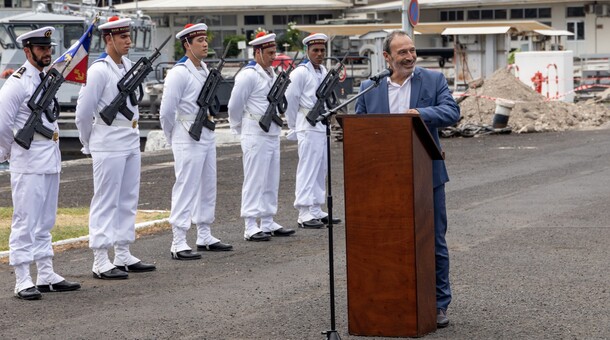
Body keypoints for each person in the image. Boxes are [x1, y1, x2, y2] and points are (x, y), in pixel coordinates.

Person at [354, 30, 460, 328]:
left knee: (434, 242)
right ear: (387, 57)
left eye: (412, 51)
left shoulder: (433, 80)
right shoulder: (369, 88)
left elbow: (452, 111)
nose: (410, 57)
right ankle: (389, 299)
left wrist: (419, 113)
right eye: (402, 52)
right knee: (386, 241)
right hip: (383, 181)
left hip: (427, 175)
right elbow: (359, 130)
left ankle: (438, 304)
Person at [0, 26, 81, 300]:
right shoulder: (18, 83)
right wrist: (9, 152)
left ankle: (45, 273)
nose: (47, 53)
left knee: (46, 221)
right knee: (25, 221)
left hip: (49, 159)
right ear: (28, 51)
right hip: (28, 160)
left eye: (49, 49)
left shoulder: (47, 79)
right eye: (42, 49)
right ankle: (22, 279)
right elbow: (2, 125)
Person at [75, 17, 156, 280]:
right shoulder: (98, 70)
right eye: (123, 37)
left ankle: (123, 252)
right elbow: (83, 113)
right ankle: (100, 258)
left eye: (128, 36)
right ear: (108, 39)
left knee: (128, 198)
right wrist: (90, 142)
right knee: (106, 200)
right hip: (107, 139)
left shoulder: (130, 66)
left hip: (130, 136)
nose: (128, 41)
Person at [159, 23, 233, 260]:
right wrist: (173, 136)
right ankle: (178, 240)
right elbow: (166, 111)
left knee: (208, 184)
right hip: (187, 132)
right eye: (199, 40)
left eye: (205, 39)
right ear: (187, 44)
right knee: (186, 186)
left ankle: (204, 233)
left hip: (206, 132)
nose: (204, 44)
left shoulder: (203, 70)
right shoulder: (179, 72)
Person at [227, 31, 295, 241]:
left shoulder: (271, 73)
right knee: (255, 178)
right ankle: (250, 224)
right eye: (269, 52)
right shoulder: (248, 75)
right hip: (255, 130)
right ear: (257, 52)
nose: (273, 56)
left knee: (270, 178)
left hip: (271, 131)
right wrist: (239, 127)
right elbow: (234, 106)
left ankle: (267, 220)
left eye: (274, 52)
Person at [284, 33, 341, 229]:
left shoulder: (322, 70)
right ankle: (304, 211)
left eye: (322, 50)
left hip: (320, 122)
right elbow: (290, 99)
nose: (319, 54)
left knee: (320, 167)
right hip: (307, 122)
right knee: (308, 167)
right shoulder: (300, 72)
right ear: (307, 51)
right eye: (315, 50)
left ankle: (316, 207)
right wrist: (293, 124)